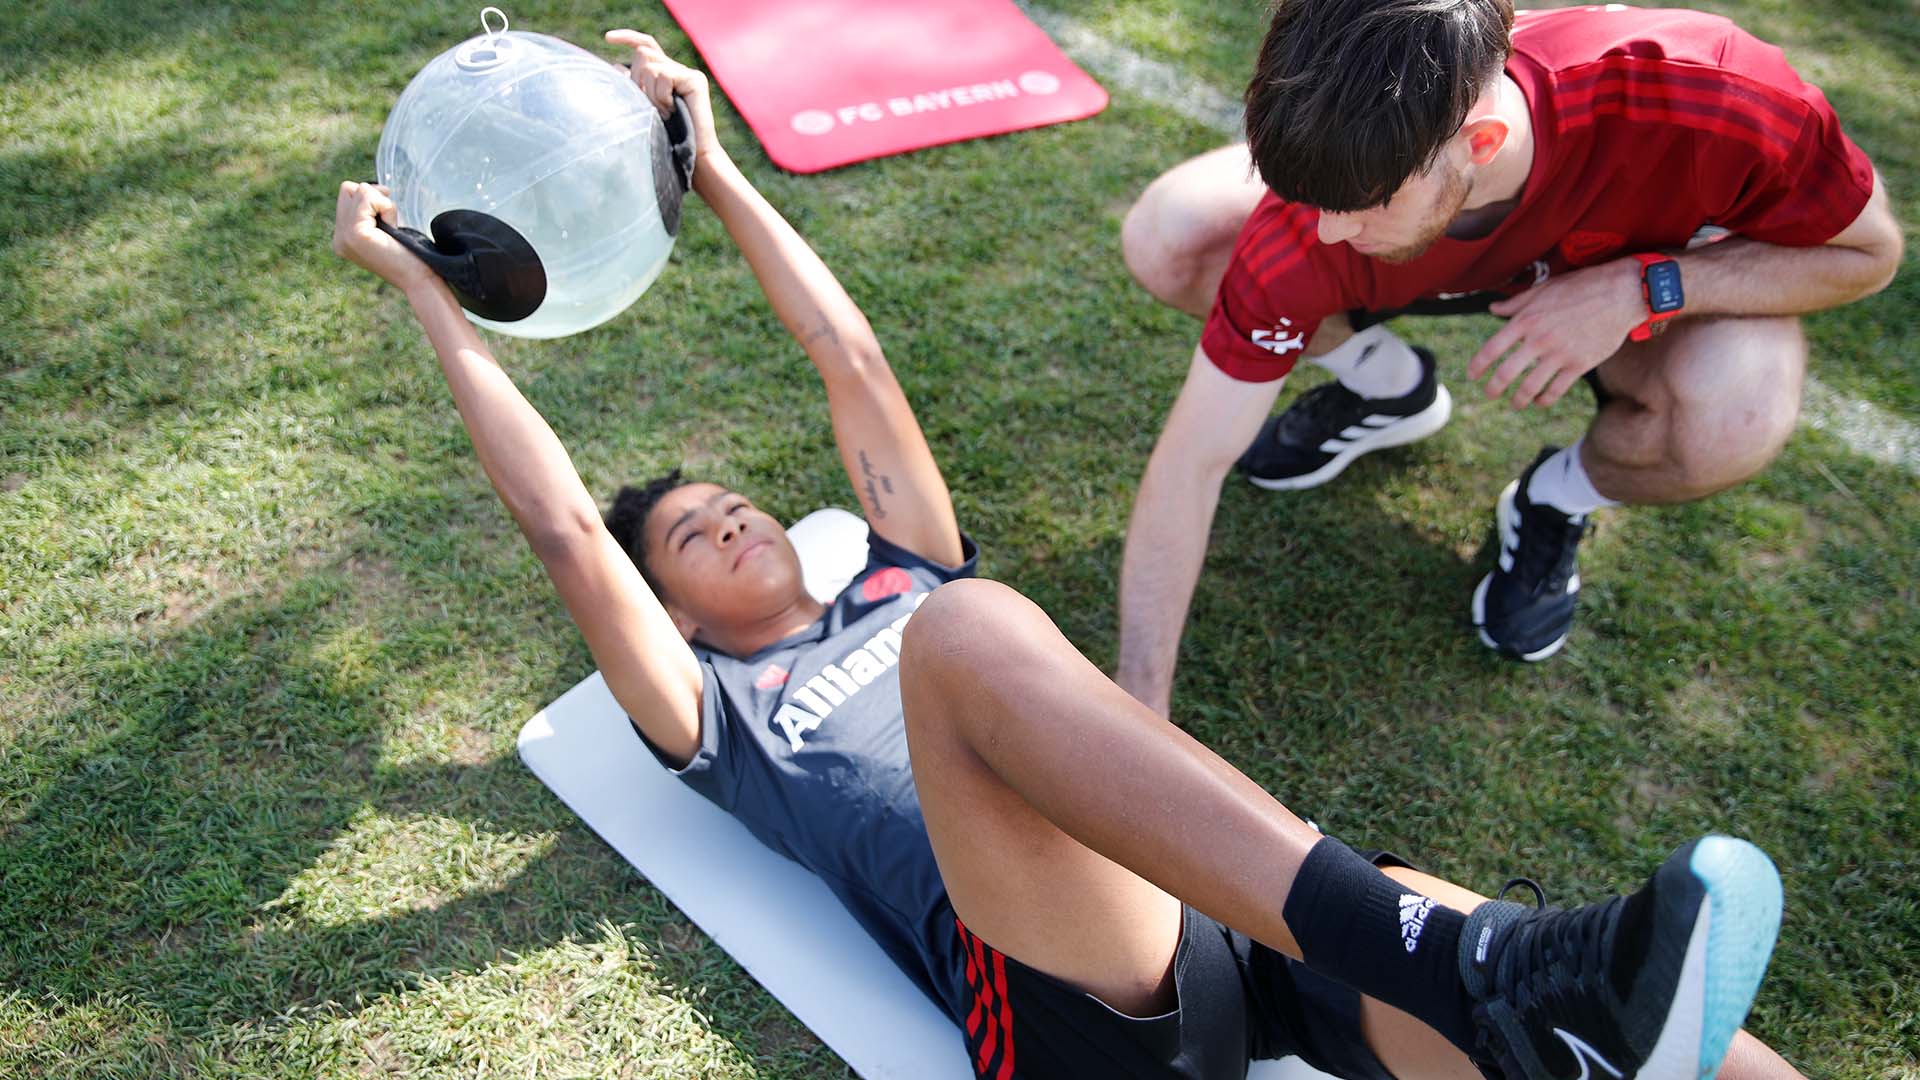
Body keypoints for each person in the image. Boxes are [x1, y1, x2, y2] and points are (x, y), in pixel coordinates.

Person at [332, 31, 1803, 1080]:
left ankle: (1493, 978)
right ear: (680, 622)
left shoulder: (895, 562)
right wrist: (428, 300)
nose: (725, 517)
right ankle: (1454, 965)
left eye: (728, 499)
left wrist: (712, 173)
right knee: (968, 636)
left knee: (1638, 1014)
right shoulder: (716, 717)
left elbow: (846, 353)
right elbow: (566, 528)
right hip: (1070, 1006)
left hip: (1226, 919)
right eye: (688, 541)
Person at [1116, 0, 1902, 700]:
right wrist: (1139, 710)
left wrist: (1649, 286)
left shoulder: (1716, 91)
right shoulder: (1314, 221)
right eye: (1309, 198)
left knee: (1736, 414)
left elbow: (1868, 255)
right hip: (1486, 241)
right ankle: (1388, 387)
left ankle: (1555, 498)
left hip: (1625, 272)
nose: (1327, 231)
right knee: (1172, 235)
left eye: (1361, 202)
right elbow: (1191, 463)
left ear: (1480, 140)